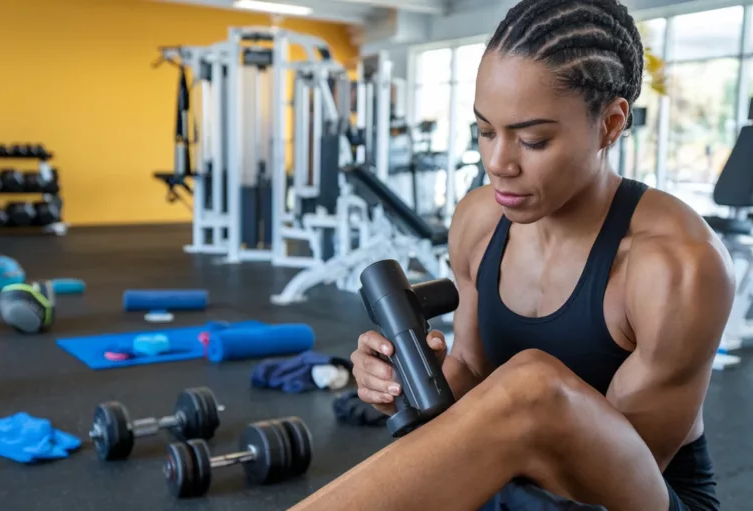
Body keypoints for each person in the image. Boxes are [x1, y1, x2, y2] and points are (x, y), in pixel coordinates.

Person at [291, 1, 734, 510]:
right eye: (485, 132)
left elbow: (625, 478)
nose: (498, 164)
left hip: (635, 495)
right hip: (514, 477)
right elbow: (473, 369)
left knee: (530, 386)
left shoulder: (677, 265)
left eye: (532, 139)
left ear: (611, 123)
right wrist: (408, 383)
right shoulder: (479, 222)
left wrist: (491, 422)